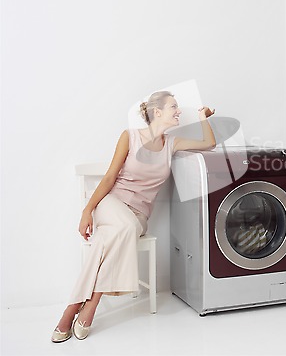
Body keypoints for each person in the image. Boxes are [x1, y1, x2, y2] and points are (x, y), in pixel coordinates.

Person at [51, 91, 216, 342]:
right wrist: (87, 211)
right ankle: (89, 307)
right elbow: (109, 178)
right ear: (157, 112)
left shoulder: (172, 143)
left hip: (138, 215)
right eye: (174, 107)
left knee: (108, 238)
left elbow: (209, 144)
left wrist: (204, 118)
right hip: (111, 204)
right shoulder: (130, 137)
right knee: (124, 228)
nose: (179, 111)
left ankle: (74, 305)